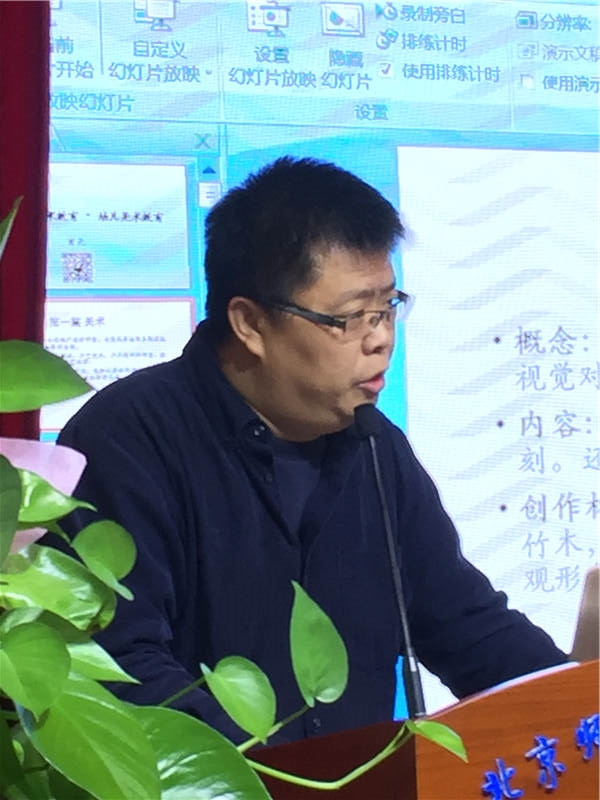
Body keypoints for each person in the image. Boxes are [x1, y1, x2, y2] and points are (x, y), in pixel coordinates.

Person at [54, 156, 567, 743]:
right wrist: (278, 777)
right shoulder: (128, 439)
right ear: (250, 324)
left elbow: (470, 628)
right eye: (351, 318)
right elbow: (123, 668)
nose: (380, 339)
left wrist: (581, 711)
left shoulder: (376, 448)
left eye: (387, 307)